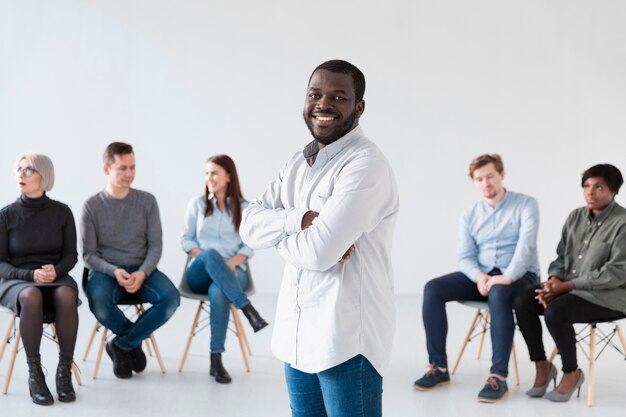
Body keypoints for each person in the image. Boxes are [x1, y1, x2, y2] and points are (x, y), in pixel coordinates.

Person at [240, 59, 399, 417]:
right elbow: (248, 225)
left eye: (338, 96)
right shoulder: (298, 162)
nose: (323, 104)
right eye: (315, 94)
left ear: (359, 107)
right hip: (295, 338)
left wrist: (280, 231)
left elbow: (317, 255)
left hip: (343, 340)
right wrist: (302, 220)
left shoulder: (366, 165)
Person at [414, 154, 540, 403]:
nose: (486, 183)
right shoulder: (469, 214)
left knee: (499, 292)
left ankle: (498, 376)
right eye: (479, 179)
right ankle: (438, 367)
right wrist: (479, 276)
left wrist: (506, 277)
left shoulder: (526, 204)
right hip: (483, 275)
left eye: (490, 176)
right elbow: (465, 256)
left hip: (520, 275)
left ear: (502, 174)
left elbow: (525, 250)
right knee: (433, 288)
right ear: (474, 182)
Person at [513, 164, 626, 402]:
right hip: (569, 288)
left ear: (614, 190)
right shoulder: (575, 216)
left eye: (598, 187)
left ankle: (571, 372)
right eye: (586, 186)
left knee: (556, 311)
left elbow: (615, 273)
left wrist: (567, 286)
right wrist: (553, 281)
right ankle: (542, 366)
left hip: (610, 296)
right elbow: (561, 257)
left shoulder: (623, 223)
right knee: (524, 298)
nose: (590, 192)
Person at [81, 142, 180, 379]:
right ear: (107, 169)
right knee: (100, 303)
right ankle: (132, 344)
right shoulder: (91, 206)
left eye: (133, 167)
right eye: (123, 168)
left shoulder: (147, 201)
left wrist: (143, 272)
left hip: (142, 268)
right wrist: (114, 271)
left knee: (171, 299)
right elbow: (88, 255)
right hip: (106, 271)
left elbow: (156, 245)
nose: (129, 174)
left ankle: (120, 345)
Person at [181, 154, 268, 384]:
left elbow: (249, 243)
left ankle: (215, 359)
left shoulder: (245, 208)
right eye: (207, 173)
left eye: (215, 173)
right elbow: (186, 241)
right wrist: (211, 260)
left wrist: (229, 263)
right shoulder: (197, 205)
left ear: (229, 176)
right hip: (199, 271)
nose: (210, 178)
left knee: (219, 291)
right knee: (211, 254)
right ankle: (248, 310)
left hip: (232, 270)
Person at [0, 154, 79, 405]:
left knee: (67, 293)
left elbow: (71, 255)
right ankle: (35, 373)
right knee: (31, 295)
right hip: (17, 280)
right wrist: (29, 275)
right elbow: (0, 263)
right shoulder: (6, 215)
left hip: (55, 277)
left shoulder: (62, 212)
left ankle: (64, 371)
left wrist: (56, 271)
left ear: (43, 177)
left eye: (28, 170)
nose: (20, 175)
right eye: (18, 170)